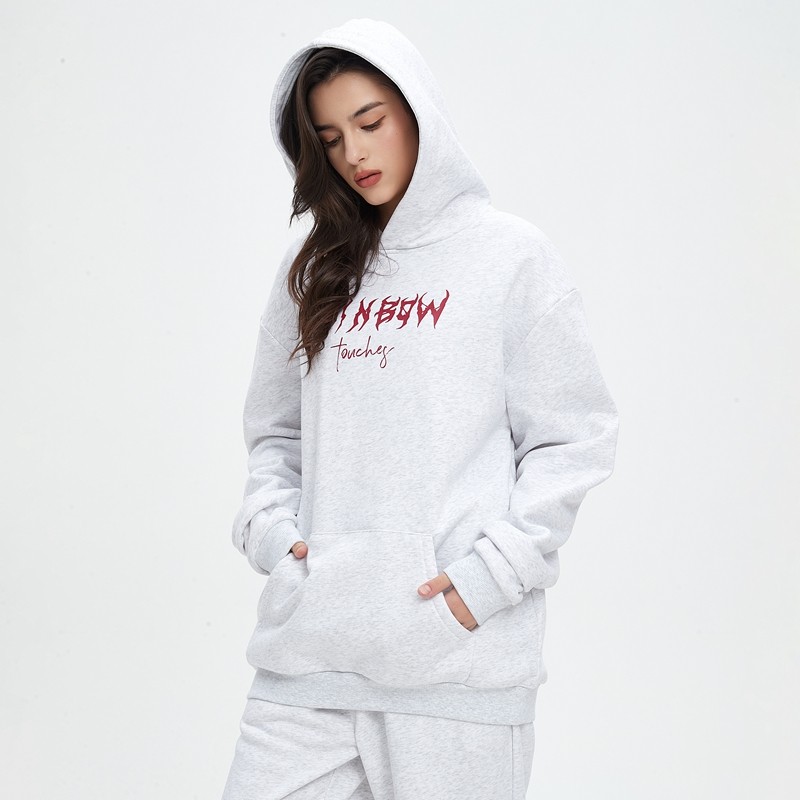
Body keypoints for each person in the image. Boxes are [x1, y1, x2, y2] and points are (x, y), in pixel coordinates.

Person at [221, 17, 619, 800]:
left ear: (418, 112)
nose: (354, 153)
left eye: (370, 122)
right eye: (331, 138)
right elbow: (275, 431)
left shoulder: (510, 257)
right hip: (310, 658)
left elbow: (574, 437)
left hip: (455, 670)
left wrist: (490, 578)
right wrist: (272, 531)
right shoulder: (313, 268)